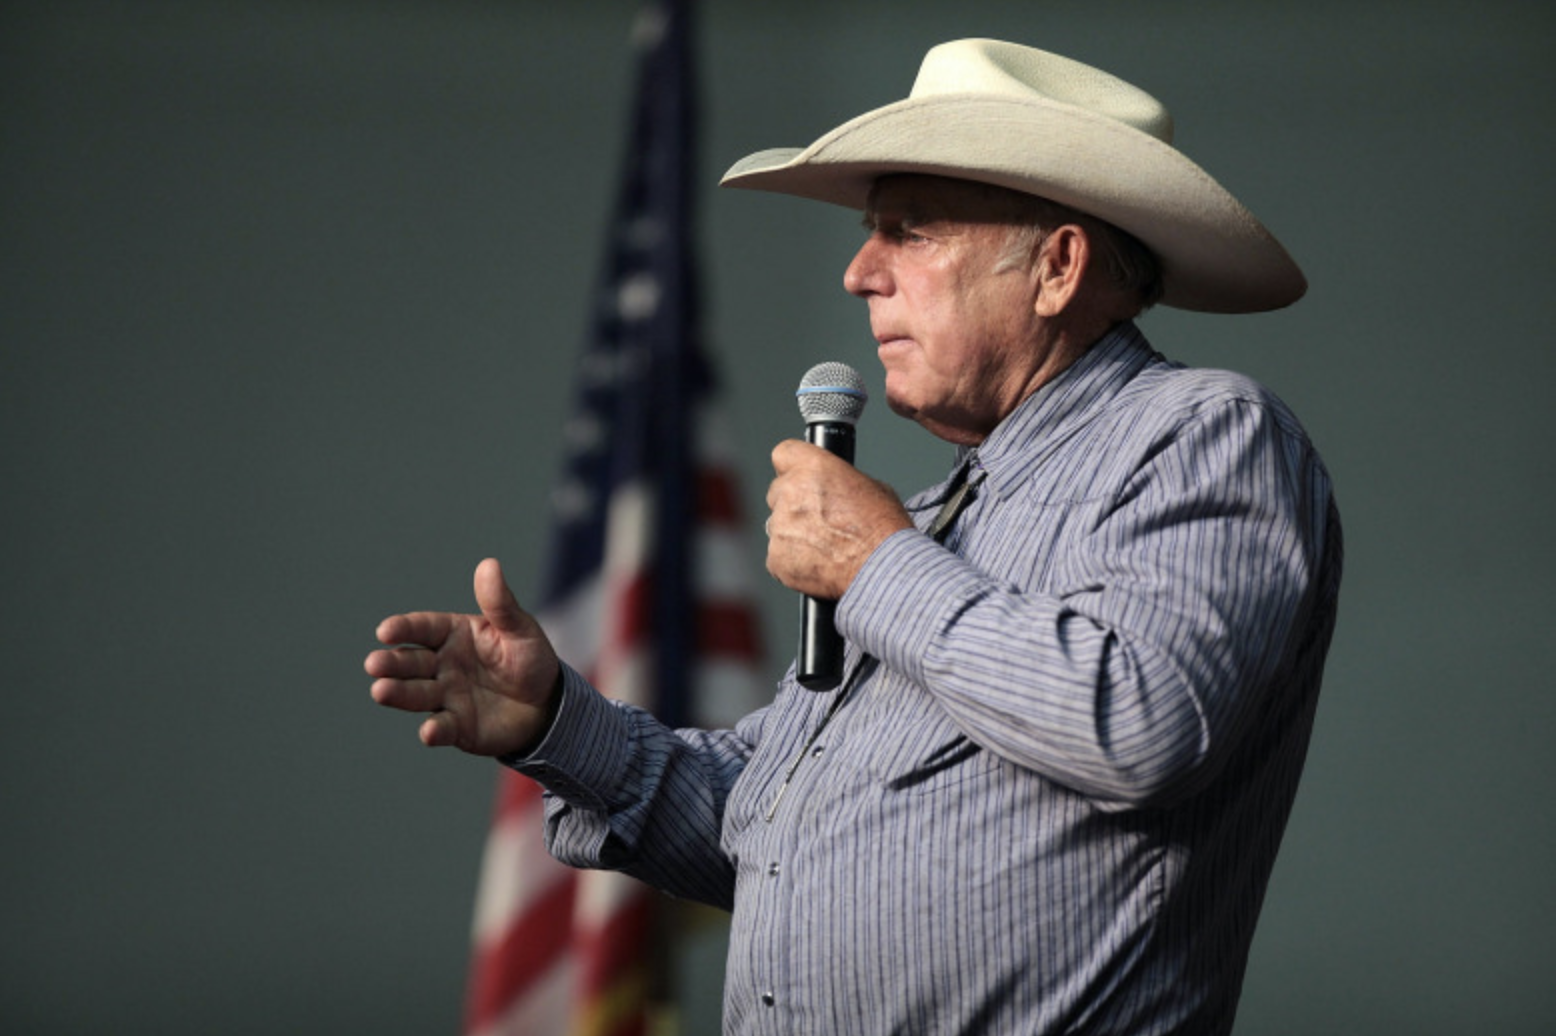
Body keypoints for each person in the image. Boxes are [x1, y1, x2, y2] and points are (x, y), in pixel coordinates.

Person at [367, 39, 1342, 1035]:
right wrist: (553, 724)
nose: (856, 271)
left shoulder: (1204, 433)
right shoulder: (923, 525)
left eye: (905, 230)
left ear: (1056, 266)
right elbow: (770, 826)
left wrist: (875, 564)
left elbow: (1143, 722)